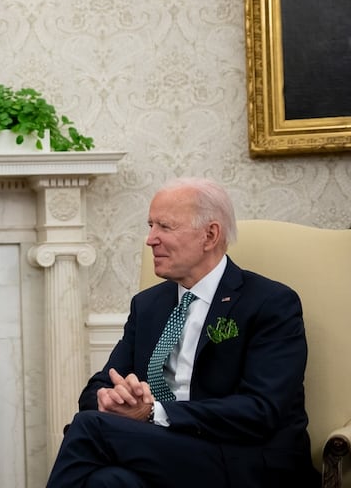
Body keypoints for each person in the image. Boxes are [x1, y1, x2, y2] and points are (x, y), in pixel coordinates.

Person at [47, 177, 318, 487]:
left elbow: (261, 410)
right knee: (109, 480)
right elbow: (98, 385)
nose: (150, 239)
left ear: (210, 235)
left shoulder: (270, 302)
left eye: (165, 226)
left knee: (89, 429)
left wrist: (153, 412)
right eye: (150, 226)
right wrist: (111, 399)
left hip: (243, 456)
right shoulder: (147, 305)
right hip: (167, 450)